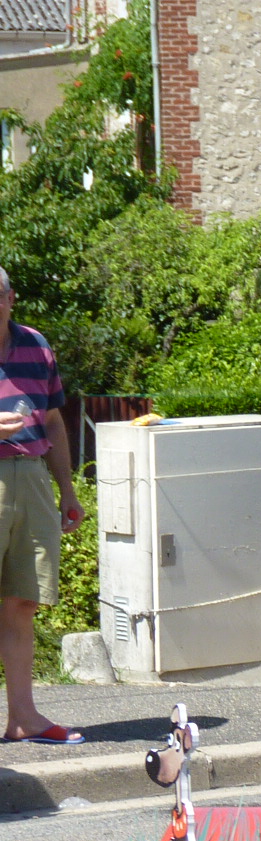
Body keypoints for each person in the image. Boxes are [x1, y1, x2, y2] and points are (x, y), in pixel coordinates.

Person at [0, 268, 85, 744]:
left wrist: (67, 490)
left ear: (11, 297)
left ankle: (22, 718)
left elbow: (52, 420)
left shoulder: (35, 344)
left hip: (31, 477)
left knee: (22, 601)